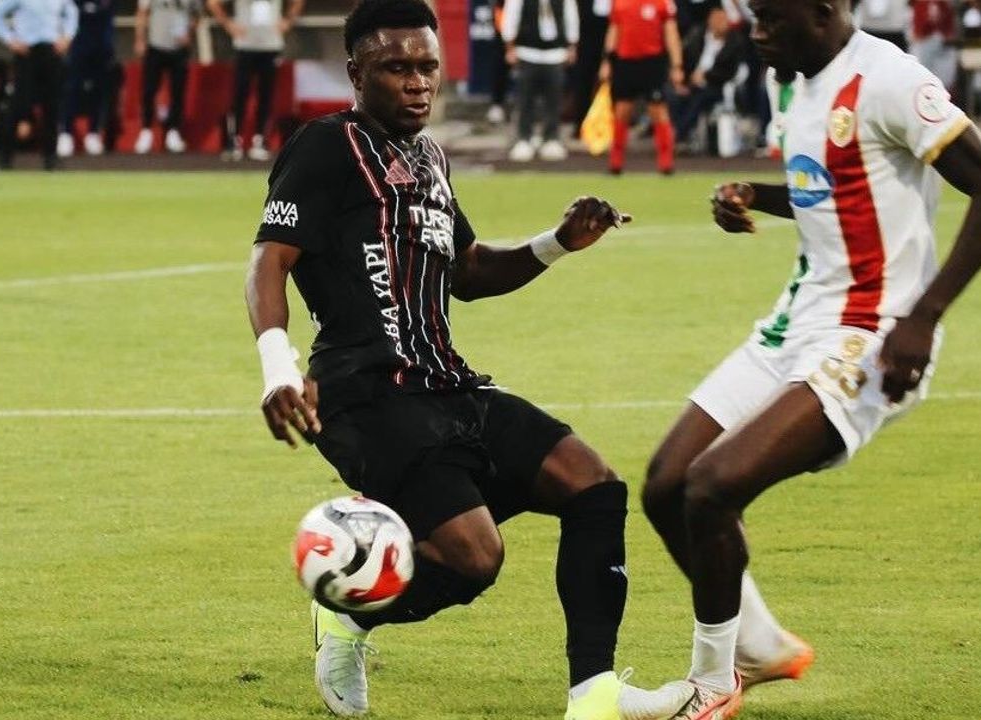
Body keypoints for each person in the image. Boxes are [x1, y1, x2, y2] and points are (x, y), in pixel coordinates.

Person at [244, 1, 696, 718]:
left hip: (448, 385)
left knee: (594, 484)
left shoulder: (430, 158)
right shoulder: (326, 148)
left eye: (428, 66)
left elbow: (470, 270)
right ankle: (348, 611)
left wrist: (556, 243)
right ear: (357, 74)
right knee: (475, 559)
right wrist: (277, 369)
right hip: (367, 398)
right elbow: (269, 260)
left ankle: (595, 696)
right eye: (396, 67)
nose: (418, 81)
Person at [639, 0, 981, 716]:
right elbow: (832, 190)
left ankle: (711, 683)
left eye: (769, 20)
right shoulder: (788, 80)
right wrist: (754, 196)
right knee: (666, 485)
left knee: (712, 487)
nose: (756, 34)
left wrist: (923, 317)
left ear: (820, 15)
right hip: (794, 323)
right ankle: (759, 644)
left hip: (874, 334)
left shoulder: (890, 80)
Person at [0, 0, 79, 170]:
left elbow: (72, 12)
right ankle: (5, 158)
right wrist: (10, 39)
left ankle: (51, 159)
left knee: (52, 107)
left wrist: (67, 36)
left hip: (51, 53)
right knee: (17, 106)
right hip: (27, 53)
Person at [205, 0, 304, 161]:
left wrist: (288, 21)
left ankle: (260, 141)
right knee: (239, 94)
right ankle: (234, 141)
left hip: (270, 46)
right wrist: (229, 24)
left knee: (266, 96)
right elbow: (213, 3)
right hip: (245, 46)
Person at [599, 0, 684, 174]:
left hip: (652, 63)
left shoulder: (662, 3)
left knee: (658, 111)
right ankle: (615, 162)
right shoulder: (619, 3)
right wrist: (607, 61)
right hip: (625, 63)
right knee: (622, 111)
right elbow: (614, 30)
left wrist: (677, 65)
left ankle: (666, 163)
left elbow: (671, 33)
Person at [501, 0, 580, 161]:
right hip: (526, 52)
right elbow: (511, 15)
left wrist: (572, 45)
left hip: (556, 54)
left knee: (554, 100)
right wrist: (509, 46)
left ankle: (551, 138)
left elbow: (571, 16)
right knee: (525, 100)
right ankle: (524, 138)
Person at [671, 4, 747, 145]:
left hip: (717, 86)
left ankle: (677, 136)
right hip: (691, 82)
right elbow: (685, 59)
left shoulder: (735, 42)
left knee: (700, 98)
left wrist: (706, 76)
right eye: (716, 18)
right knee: (673, 96)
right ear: (709, 20)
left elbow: (733, 72)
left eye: (723, 19)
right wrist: (682, 81)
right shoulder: (697, 35)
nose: (719, 22)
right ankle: (678, 133)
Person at [134, 0, 200, 154]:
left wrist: (190, 32)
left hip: (179, 48)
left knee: (178, 91)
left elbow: (197, 14)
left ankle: (173, 131)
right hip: (155, 45)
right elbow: (142, 12)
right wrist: (140, 39)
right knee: (149, 90)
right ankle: (146, 130)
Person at [58, 0, 117, 157]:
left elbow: (108, 22)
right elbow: (64, 17)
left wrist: (109, 48)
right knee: (72, 90)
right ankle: (66, 133)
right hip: (77, 48)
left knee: (98, 92)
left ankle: (93, 133)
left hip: (101, 50)